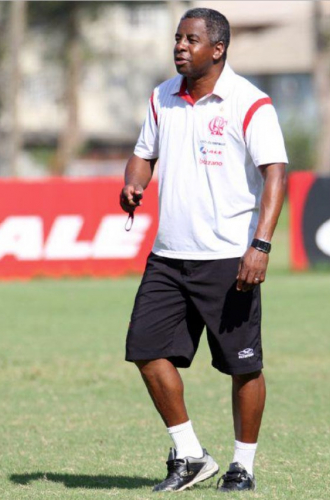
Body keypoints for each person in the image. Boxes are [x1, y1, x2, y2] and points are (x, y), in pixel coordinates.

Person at [120, 7, 287, 493]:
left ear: (217, 49)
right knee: (145, 351)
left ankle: (243, 465)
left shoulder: (250, 103)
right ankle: (191, 454)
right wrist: (134, 182)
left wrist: (260, 244)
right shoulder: (161, 98)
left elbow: (275, 172)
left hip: (230, 258)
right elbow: (143, 153)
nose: (179, 46)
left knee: (244, 366)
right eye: (177, 38)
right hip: (169, 255)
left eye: (190, 39)